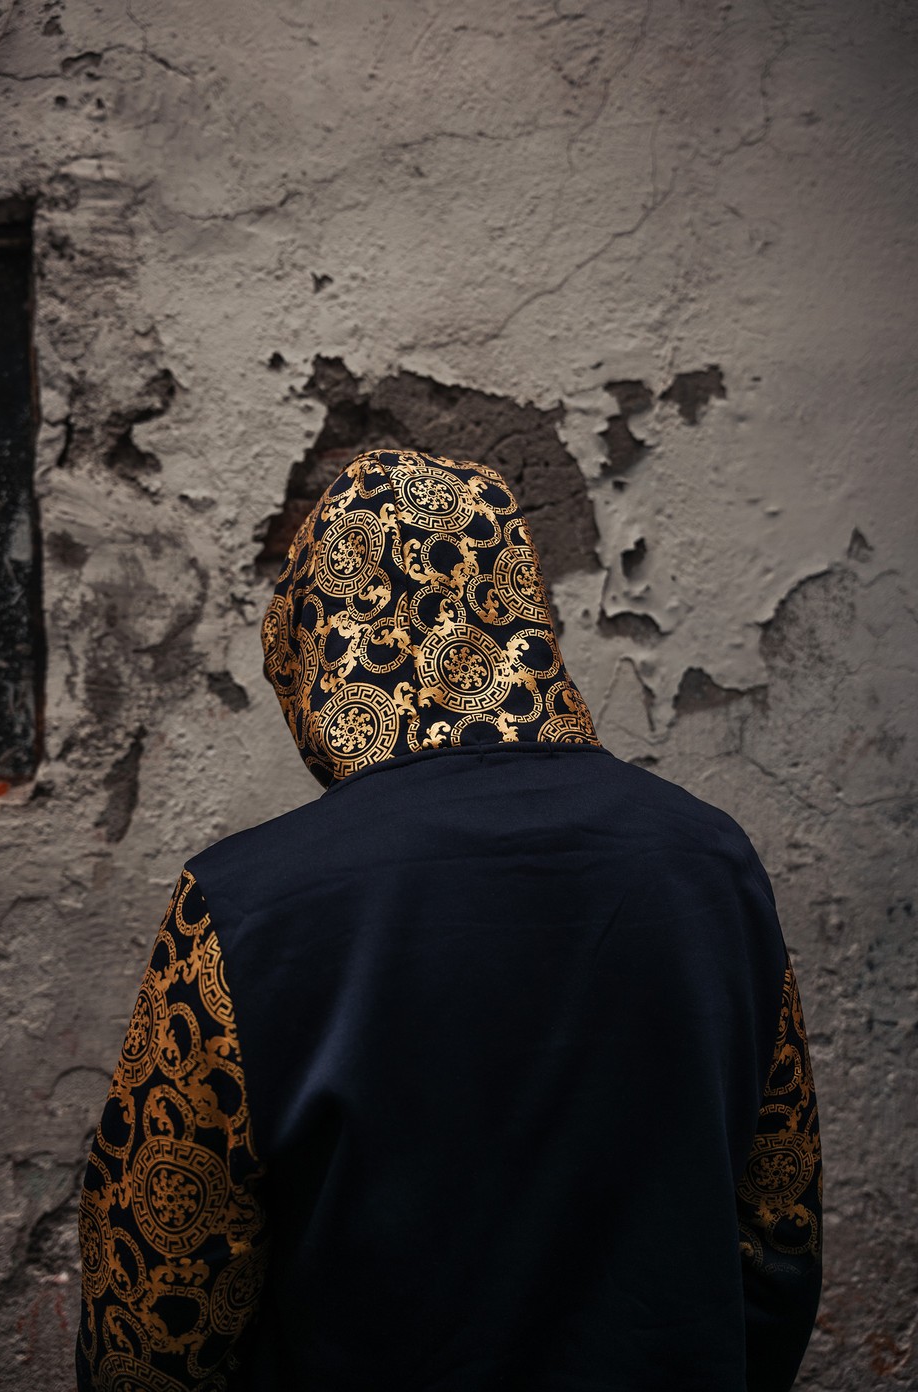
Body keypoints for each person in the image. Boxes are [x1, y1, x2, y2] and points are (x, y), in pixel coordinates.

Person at [75, 448, 823, 1391]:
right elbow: (779, 1230)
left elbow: (155, 1304)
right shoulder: (713, 865)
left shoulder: (241, 908)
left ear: (317, 637)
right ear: (520, 608)